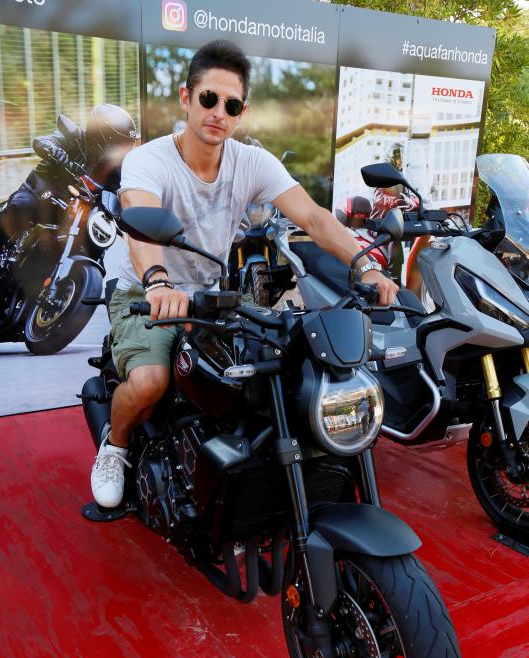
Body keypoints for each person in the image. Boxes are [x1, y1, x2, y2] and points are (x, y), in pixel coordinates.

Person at [91, 40, 398, 508]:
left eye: (231, 105)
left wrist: (365, 266)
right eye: (208, 98)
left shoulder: (251, 162)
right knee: (151, 380)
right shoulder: (150, 160)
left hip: (212, 292)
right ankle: (114, 448)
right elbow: (140, 221)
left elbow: (314, 218)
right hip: (146, 290)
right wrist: (157, 281)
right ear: (186, 98)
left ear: (241, 113)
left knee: (287, 355)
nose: (218, 112)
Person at [0, 104, 137, 247]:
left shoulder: (117, 173)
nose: (123, 152)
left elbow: (122, 204)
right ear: (102, 137)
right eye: (121, 144)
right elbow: (41, 142)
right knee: (21, 206)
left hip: (73, 215)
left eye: (127, 146)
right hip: (40, 195)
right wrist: (57, 154)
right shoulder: (76, 139)